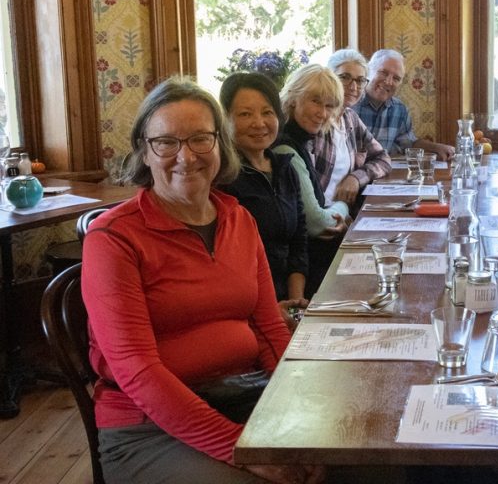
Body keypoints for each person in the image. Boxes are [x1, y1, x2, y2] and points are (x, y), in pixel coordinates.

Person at [82, 77, 318, 483]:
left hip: (248, 398)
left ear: (219, 144)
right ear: (145, 150)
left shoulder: (238, 219)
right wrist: (241, 450)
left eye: (199, 139)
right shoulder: (114, 238)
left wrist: (295, 413)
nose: (185, 156)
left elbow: (268, 328)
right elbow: (139, 373)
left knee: (364, 457)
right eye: (166, 142)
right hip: (148, 428)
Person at [219, 72, 308, 321]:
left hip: (290, 298)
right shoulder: (223, 178)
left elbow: (298, 241)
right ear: (225, 119)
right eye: (245, 114)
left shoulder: (284, 167)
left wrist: (295, 301)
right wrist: (271, 309)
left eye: (267, 112)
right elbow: (232, 265)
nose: (259, 123)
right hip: (249, 308)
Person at [275, 64, 351, 297]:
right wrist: (344, 207)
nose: (323, 113)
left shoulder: (301, 142)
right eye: (315, 101)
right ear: (292, 98)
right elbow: (318, 222)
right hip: (303, 273)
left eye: (329, 106)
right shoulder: (285, 149)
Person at [352, 48, 455, 161]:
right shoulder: (350, 104)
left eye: (396, 78)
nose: (388, 82)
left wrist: (437, 147)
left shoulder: (399, 109)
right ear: (368, 71)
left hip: (382, 174)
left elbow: (409, 143)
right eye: (383, 73)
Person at [324, 48, 392, 209]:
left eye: (360, 80)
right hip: (323, 219)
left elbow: (383, 158)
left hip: (345, 213)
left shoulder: (350, 118)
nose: (353, 86)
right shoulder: (318, 119)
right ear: (329, 78)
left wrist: (356, 177)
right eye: (345, 77)